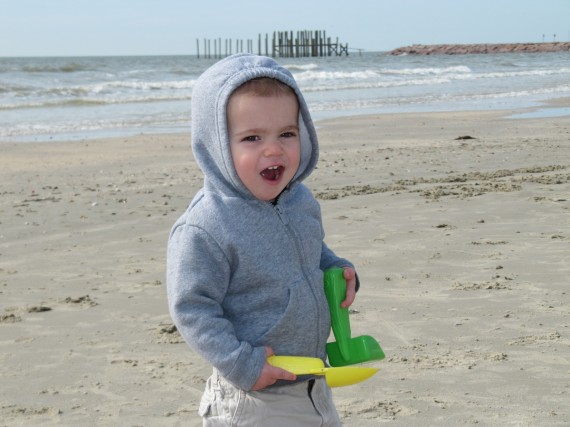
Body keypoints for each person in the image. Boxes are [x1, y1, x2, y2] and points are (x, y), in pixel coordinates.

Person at [167, 54, 358, 426]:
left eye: (286, 134)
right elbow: (192, 308)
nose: (274, 149)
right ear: (217, 144)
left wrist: (336, 268)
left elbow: (309, 251)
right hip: (254, 397)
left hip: (313, 381)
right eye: (252, 138)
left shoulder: (299, 200)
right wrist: (243, 364)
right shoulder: (206, 226)